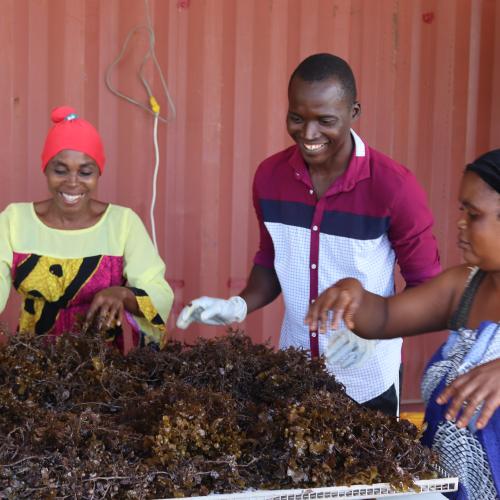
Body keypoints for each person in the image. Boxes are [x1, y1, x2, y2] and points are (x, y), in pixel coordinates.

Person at [176, 53, 441, 416]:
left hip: (368, 380)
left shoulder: (394, 187)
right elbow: (271, 261)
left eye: (325, 120)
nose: (309, 134)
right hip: (295, 374)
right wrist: (238, 305)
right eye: (297, 118)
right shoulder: (269, 177)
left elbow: (429, 291)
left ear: (355, 112)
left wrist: (375, 333)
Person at [305, 150, 500, 500]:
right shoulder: (464, 287)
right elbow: (384, 317)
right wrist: (354, 296)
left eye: (474, 215)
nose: (460, 223)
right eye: (462, 212)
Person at [0, 106, 174, 350]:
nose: (72, 182)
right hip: (31, 369)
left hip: (101, 375)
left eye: (85, 172)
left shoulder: (122, 223)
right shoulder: (14, 220)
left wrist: (123, 295)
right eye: (60, 170)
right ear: (46, 170)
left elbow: (160, 294)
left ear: (98, 173)